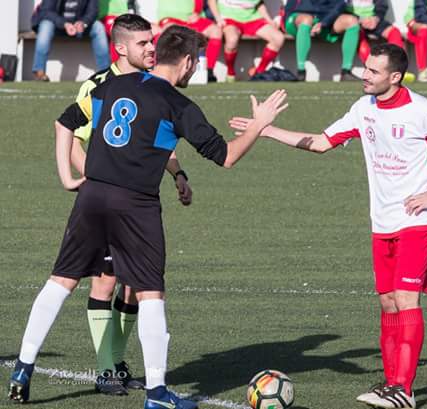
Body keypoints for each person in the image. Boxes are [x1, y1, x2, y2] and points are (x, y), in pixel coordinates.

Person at [8, 25, 287, 409]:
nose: (195, 70)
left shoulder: (110, 85)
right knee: (151, 292)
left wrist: (172, 172)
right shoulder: (178, 104)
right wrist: (259, 124)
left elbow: (77, 122)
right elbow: (227, 156)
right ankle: (156, 394)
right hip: (134, 205)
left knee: (61, 280)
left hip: (90, 195)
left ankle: (22, 368)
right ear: (187, 61)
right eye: (197, 63)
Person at [229, 43, 427, 409]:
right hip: (382, 222)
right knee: (389, 302)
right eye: (365, 67)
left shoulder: (424, 111)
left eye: (374, 71)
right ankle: (391, 383)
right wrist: (265, 131)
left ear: (394, 77)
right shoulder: (364, 109)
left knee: (407, 300)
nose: (365, 74)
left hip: (417, 223)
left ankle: (404, 391)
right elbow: (321, 142)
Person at [71, 13, 193, 396]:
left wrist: (177, 173)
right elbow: (74, 138)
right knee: (105, 279)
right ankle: (105, 369)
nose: (152, 48)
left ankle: (119, 363)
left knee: (133, 286)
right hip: (107, 194)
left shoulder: (149, 83)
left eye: (152, 42)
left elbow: (154, 138)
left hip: (136, 198)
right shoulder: (96, 85)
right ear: (122, 46)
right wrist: (94, 180)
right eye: (144, 43)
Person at [31, 0, 111, 81]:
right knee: (45, 26)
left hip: (79, 26)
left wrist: (83, 23)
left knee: (98, 27)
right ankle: (39, 71)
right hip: (57, 25)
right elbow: (46, 11)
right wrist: (64, 24)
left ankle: (105, 73)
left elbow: (93, 11)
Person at [207, 0, 285, 82]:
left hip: (253, 19)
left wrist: (269, 20)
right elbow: (211, 1)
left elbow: (258, 4)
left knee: (278, 38)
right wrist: (218, 18)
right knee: (232, 40)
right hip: (229, 18)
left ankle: (258, 73)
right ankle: (230, 73)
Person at [284, 0, 361, 81]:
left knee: (352, 21)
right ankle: (301, 72)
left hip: (326, 20)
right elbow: (291, 5)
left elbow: (340, 5)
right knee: (306, 19)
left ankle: (346, 71)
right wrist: (284, 19)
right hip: (300, 17)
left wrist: (324, 23)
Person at [156, 0, 223, 82]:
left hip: (191, 18)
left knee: (216, 31)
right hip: (170, 17)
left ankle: (209, 71)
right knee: (170, 30)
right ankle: (169, 70)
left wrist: (197, 13)